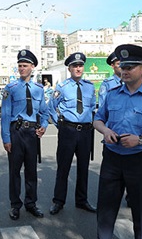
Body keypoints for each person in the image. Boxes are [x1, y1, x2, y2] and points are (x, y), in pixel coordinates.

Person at [93, 44, 142, 238]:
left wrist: (140, 140)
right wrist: (105, 131)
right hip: (112, 158)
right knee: (105, 210)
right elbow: (98, 119)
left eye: (130, 67)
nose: (125, 71)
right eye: (123, 67)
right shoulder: (112, 94)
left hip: (141, 159)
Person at [1, 49, 49, 220]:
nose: (21, 68)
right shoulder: (10, 88)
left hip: (32, 133)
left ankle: (31, 203)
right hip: (17, 132)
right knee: (14, 171)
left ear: (32, 67)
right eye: (20, 66)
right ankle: (15, 205)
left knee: (31, 171)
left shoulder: (39, 89)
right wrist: (6, 138)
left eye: (25, 65)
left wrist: (43, 126)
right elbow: (5, 115)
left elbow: (44, 111)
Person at [47, 52, 97, 215]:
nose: (78, 68)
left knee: (83, 167)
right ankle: (58, 201)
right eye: (74, 66)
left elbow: (92, 107)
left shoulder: (90, 87)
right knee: (64, 167)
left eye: (80, 65)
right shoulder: (62, 87)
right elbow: (51, 107)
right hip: (68, 130)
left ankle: (81, 200)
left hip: (85, 132)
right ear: (69, 68)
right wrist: (59, 124)